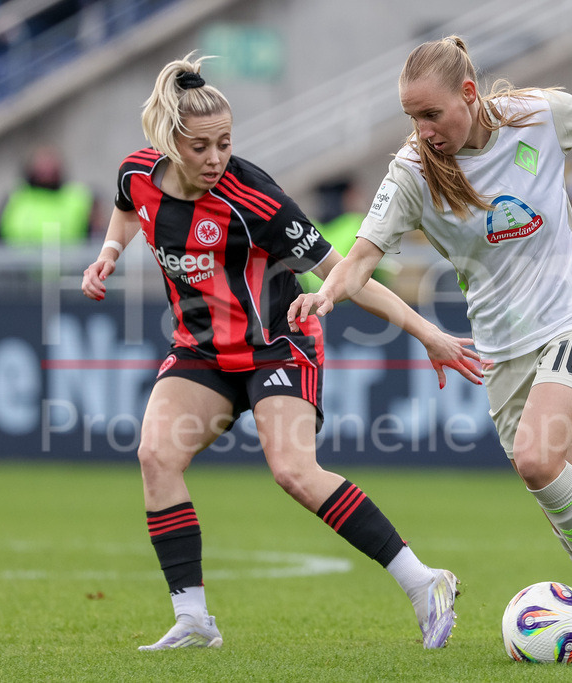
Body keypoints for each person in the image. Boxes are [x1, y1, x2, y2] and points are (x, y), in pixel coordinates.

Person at [288, 36, 572, 662]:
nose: (422, 129)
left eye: (431, 114)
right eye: (411, 116)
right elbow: (359, 259)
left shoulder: (537, 115)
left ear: (468, 94)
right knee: (569, 498)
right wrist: (327, 295)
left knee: (538, 459)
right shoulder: (411, 172)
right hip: (499, 351)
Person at [80, 53, 483, 652]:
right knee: (155, 456)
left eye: (224, 143)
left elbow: (346, 275)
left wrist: (427, 332)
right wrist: (111, 252)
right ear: (169, 143)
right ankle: (194, 619)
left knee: (294, 472)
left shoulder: (257, 200)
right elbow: (124, 207)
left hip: (277, 347)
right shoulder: (137, 174)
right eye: (200, 147)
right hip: (201, 352)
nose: (216, 158)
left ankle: (425, 582)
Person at [0, 144, 97, 245]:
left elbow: (94, 236)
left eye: (50, 163)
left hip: (70, 260)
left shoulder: (78, 198)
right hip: (20, 261)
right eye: (42, 163)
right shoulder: (15, 198)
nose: (47, 169)